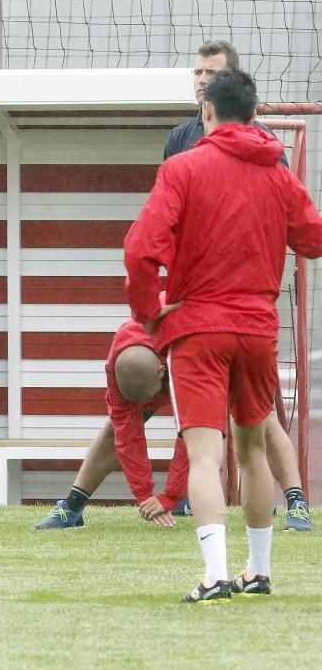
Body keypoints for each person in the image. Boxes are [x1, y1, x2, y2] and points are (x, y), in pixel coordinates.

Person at [124, 70, 322, 602]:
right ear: (254, 114)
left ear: (206, 112)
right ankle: (258, 573)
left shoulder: (183, 168)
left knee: (206, 455)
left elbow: (140, 250)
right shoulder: (278, 174)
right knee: (253, 451)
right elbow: (313, 238)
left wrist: (150, 314)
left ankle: (215, 576)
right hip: (258, 327)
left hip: (198, 329)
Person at [165, 40, 309, 531]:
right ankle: (260, 563)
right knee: (249, 438)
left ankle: (292, 502)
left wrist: (150, 308)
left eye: (211, 73)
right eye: (197, 71)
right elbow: (307, 232)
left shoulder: (268, 157)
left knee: (231, 438)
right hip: (246, 317)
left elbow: (147, 241)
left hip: (211, 315)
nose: (202, 79)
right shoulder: (180, 140)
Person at [34, 320, 189, 530]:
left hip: (210, 349)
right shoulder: (117, 365)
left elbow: (189, 434)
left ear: (161, 371)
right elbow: (127, 436)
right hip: (164, 363)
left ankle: (189, 499)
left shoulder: (187, 351)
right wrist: (144, 494)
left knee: (208, 430)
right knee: (114, 430)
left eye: (149, 397)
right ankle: (71, 509)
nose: (146, 405)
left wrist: (171, 494)